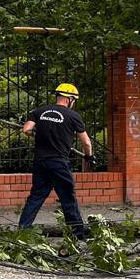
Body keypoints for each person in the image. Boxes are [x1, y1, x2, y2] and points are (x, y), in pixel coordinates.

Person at [18, 83, 95, 238]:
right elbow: (86, 142)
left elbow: (26, 130)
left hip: (40, 162)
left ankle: (22, 230)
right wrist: (88, 156)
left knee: (36, 196)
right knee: (67, 197)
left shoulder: (39, 111)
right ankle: (77, 233)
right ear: (69, 99)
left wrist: (38, 135)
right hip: (59, 163)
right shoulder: (73, 116)